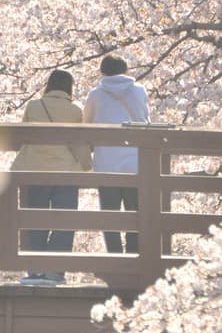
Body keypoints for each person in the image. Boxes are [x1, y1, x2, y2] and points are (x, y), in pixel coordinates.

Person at [12, 69, 90, 284]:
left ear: (49, 84)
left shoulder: (34, 106)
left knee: (33, 219)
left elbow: (22, 135)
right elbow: (79, 142)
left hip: (34, 171)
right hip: (66, 173)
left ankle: (34, 270)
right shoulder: (75, 110)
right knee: (64, 221)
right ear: (69, 87)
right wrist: (87, 166)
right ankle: (55, 270)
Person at [82, 55, 150, 253]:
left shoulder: (95, 94)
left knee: (109, 215)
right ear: (125, 69)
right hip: (135, 161)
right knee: (135, 212)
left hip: (106, 163)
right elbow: (145, 119)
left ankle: (114, 256)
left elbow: (86, 126)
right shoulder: (139, 91)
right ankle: (134, 255)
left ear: (103, 71)